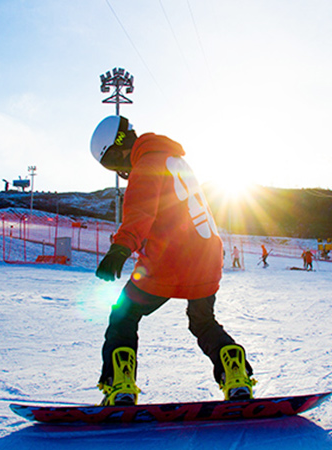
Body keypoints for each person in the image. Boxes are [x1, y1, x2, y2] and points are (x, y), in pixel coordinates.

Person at [87, 115, 255, 406]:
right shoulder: (174, 160)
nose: (121, 171)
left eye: (114, 163)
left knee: (123, 315)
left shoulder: (147, 164)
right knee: (203, 322)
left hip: (169, 259)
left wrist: (120, 250)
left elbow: (140, 212)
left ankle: (120, 385)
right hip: (206, 256)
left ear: (118, 147)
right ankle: (234, 373)